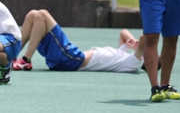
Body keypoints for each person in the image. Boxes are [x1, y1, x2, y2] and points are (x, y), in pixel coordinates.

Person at [10, 9, 145, 72]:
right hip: (70, 58)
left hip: (72, 58)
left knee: (42, 15)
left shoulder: (135, 63)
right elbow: (123, 32)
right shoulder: (124, 56)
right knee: (33, 15)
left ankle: (26, 61)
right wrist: (132, 41)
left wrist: (139, 44)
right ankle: (11, 55)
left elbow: (145, 39)